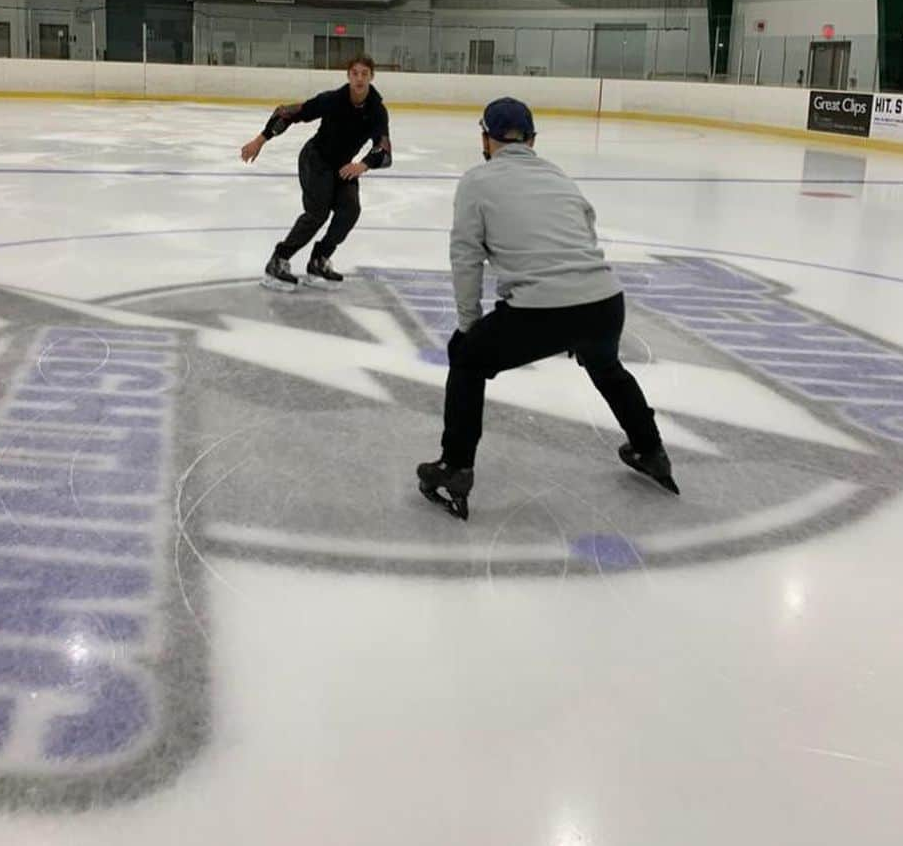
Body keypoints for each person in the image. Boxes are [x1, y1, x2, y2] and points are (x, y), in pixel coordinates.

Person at [417, 96, 678, 521]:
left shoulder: (476, 181)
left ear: (485, 138)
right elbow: (586, 231)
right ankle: (651, 450)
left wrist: (468, 327)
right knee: (607, 368)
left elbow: (466, 257)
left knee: (466, 358)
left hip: (543, 308)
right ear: (533, 139)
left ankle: (455, 467)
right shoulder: (559, 176)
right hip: (604, 301)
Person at [240, 55, 392, 289]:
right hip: (316, 160)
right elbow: (289, 113)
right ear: (348, 76)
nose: (360, 78)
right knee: (317, 213)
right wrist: (260, 140)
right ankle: (278, 260)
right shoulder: (332, 100)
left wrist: (361, 165)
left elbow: (384, 149)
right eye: (355, 73)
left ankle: (319, 260)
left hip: (343, 166)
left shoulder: (377, 111)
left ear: (372, 77)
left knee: (350, 210)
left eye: (364, 73)